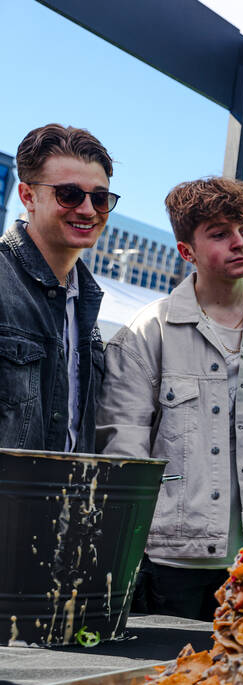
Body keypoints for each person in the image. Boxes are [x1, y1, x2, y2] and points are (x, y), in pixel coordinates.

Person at [97, 177, 243, 620]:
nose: (240, 243)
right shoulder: (149, 331)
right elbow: (125, 451)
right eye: (220, 234)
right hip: (171, 562)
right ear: (187, 252)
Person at [0, 124, 115, 452]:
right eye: (69, 194)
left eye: (100, 197)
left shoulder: (86, 301)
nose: (88, 210)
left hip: (67, 502)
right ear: (27, 196)